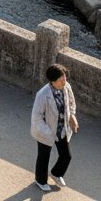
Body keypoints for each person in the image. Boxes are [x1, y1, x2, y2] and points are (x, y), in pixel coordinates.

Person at [31, 63, 78, 193]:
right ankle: (40, 180)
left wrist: (72, 116)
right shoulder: (42, 95)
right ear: (53, 81)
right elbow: (37, 118)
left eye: (64, 77)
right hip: (46, 131)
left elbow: (71, 103)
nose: (64, 80)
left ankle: (56, 174)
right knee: (43, 157)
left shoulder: (66, 87)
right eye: (61, 79)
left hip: (62, 128)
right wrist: (48, 132)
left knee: (66, 156)